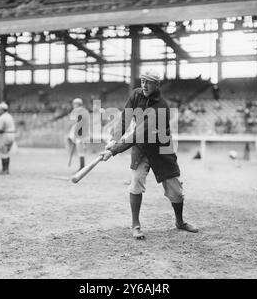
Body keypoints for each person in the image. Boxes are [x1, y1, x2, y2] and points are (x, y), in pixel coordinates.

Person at [99, 69, 198, 240]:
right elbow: (125, 119)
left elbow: (139, 133)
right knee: (136, 182)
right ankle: (135, 225)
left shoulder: (161, 107)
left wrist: (114, 151)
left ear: (157, 84)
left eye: (149, 82)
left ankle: (180, 222)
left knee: (175, 190)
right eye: (143, 81)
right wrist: (113, 139)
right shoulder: (136, 95)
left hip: (161, 149)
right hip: (142, 148)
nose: (144, 85)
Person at [0, 102, 15, 175]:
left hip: (5, 136)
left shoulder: (2, 118)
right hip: (11, 135)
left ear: (2, 110)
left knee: (3, 152)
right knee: (7, 153)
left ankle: (4, 170)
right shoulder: (9, 116)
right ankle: (6, 169)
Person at [67, 98, 90, 171]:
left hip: (80, 134)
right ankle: (82, 166)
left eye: (74, 104)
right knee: (81, 150)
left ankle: (82, 167)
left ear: (77, 104)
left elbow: (78, 124)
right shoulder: (84, 111)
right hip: (84, 133)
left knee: (80, 151)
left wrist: (74, 133)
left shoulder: (79, 111)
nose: (73, 105)